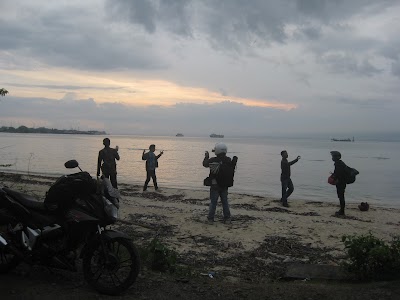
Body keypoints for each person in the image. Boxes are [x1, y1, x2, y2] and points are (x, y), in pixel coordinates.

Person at [203, 142, 235, 224]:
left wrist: (206, 156)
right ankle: (227, 218)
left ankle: (210, 219)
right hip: (225, 185)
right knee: (225, 202)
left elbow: (205, 164)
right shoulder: (228, 160)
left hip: (215, 185)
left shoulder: (213, 160)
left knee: (213, 202)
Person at [330, 151, 347, 216]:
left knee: (341, 196)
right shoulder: (340, 163)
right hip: (342, 182)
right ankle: (341, 210)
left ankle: (342, 211)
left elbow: (339, 174)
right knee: (341, 196)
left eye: (333, 156)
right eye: (332, 156)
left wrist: (334, 177)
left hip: (341, 182)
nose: (332, 158)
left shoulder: (338, 164)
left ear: (337, 157)